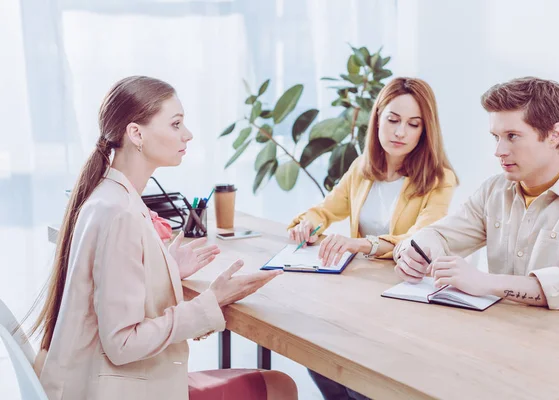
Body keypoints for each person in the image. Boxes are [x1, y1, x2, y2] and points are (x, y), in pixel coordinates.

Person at [30, 76, 298, 400]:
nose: (188, 134)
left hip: (89, 380)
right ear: (136, 134)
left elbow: (114, 283)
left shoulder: (108, 196)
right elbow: (122, 344)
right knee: (280, 387)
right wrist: (210, 302)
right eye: (175, 124)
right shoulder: (121, 214)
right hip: (114, 388)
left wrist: (166, 268)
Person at [290, 77, 458, 400]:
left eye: (413, 124)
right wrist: (307, 225)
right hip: (359, 295)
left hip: (403, 298)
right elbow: (323, 211)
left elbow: (420, 238)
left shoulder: (439, 179)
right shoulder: (361, 169)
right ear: (377, 117)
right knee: (318, 356)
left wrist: (363, 245)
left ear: (425, 131)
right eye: (393, 120)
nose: (400, 132)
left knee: (362, 383)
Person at [394, 76, 559, 310]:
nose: (498, 151)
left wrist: (487, 282)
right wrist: (413, 253)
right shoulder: (494, 190)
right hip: (499, 334)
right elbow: (435, 235)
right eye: (496, 137)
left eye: (512, 136)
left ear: (554, 134)